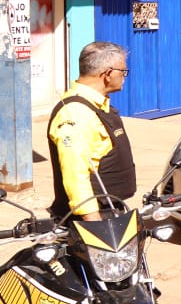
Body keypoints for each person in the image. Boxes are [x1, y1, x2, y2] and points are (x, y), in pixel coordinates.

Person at [47, 41, 136, 221]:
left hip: (111, 210)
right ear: (108, 74)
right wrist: (95, 227)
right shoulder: (76, 114)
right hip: (92, 219)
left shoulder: (99, 106)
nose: (125, 77)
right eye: (123, 72)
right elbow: (76, 175)